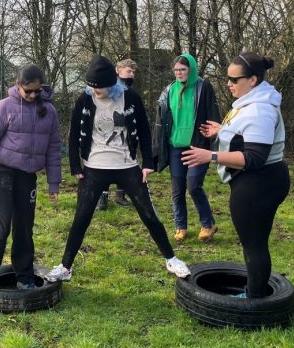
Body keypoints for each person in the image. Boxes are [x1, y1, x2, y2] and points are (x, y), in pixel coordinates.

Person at [45, 55, 191, 283]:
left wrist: (148, 164)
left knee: (149, 214)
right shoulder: (84, 100)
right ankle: (65, 266)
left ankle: (171, 259)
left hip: (127, 165)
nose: (95, 91)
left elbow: (144, 129)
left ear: (111, 84)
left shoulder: (130, 97)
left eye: (99, 88)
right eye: (91, 87)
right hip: (93, 167)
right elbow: (73, 134)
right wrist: (75, 166)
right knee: (81, 218)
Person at [181, 52, 290, 298]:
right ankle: (255, 291)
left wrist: (210, 156)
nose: (228, 83)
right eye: (227, 77)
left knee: (254, 245)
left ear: (252, 80)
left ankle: (254, 301)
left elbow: (253, 158)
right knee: (253, 243)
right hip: (259, 182)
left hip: (259, 184)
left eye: (233, 79)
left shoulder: (260, 110)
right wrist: (223, 130)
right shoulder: (252, 103)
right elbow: (246, 135)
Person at [0, 65, 62, 290]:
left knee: (24, 226)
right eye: (28, 91)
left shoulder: (49, 111)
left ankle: (24, 275)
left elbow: (54, 148)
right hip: (2, 172)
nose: (32, 95)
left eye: (37, 91)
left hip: (28, 176)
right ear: (18, 85)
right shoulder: (3, 108)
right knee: (0, 224)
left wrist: (54, 183)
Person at [152, 53, 221, 243]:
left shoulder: (203, 87)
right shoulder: (169, 90)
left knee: (193, 186)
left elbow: (213, 115)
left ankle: (208, 224)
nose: (179, 73)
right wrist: (157, 148)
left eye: (183, 69)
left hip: (197, 146)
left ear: (190, 69)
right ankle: (180, 226)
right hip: (175, 147)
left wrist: (214, 137)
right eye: (176, 70)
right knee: (177, 189)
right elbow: (160, 120)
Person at [96, 59, 137, 210]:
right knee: (107, 164)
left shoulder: (131, 90)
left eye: (133, 72)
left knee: (123, 161)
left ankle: (120, 195)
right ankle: (103, 197)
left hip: (126, 132)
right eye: (129, 71)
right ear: (118, 71)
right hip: (111, 127)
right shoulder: (111, 87)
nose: (132, 74)